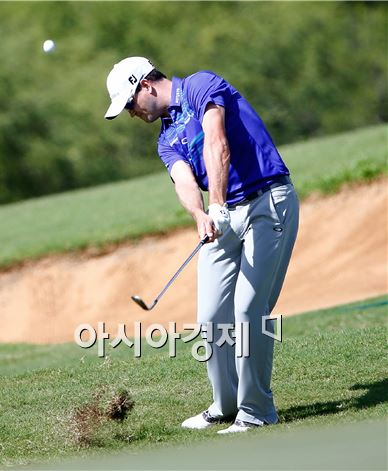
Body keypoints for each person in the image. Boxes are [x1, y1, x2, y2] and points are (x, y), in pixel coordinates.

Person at [104, 57, 299, 434]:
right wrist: (200, 215)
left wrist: (218, 204)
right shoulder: (165, 139)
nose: (131, 114)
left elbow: (217, 140)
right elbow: (183, 180)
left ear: (145, 85)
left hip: (266, 201)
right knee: (210, 317)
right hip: (220, 216)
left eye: (129, 104)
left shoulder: (200, 85)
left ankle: (257, 410)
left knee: (248, 310)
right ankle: (225, 404)